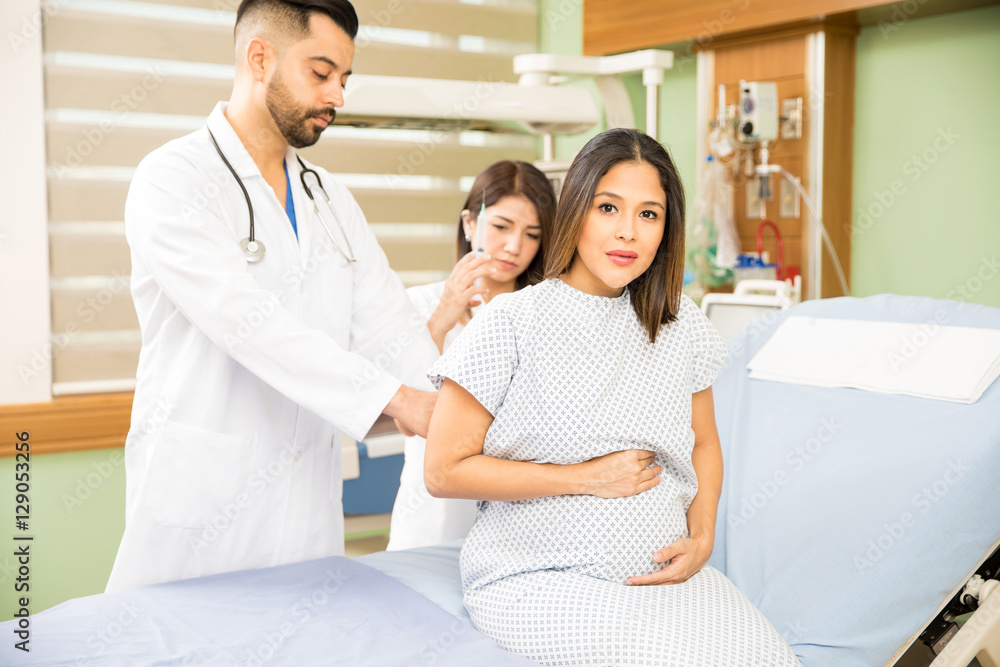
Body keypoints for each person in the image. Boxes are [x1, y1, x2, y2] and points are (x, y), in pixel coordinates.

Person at [423, 129, 801, 665]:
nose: (628, 232)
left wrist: (703, 534)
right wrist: (581, 477)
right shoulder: (511, 321)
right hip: (539, 579)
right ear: (576, 209)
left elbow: (704, 445)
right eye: (608, 207)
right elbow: (443, 471)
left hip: (665, 581)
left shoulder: (681, 325)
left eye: (649, 214)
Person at [106, 0, 440, 592]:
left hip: (306, 515)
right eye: (321, 73)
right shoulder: (172, 179)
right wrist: (398, 400)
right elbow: (250, 326)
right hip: (201, 511)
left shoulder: (329, 199)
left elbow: (391, 327)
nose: (338, 96)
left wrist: (452, 403)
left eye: (344, 78)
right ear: (259, 58)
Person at [387, 160, 555, 551]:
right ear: (469, 223)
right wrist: (442, 318)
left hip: (515, 517)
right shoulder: (420, 304)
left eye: (532, 234)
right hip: (429, 516)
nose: (514, 246)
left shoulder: (543, 312)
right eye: (500, 227)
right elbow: (406, 424)